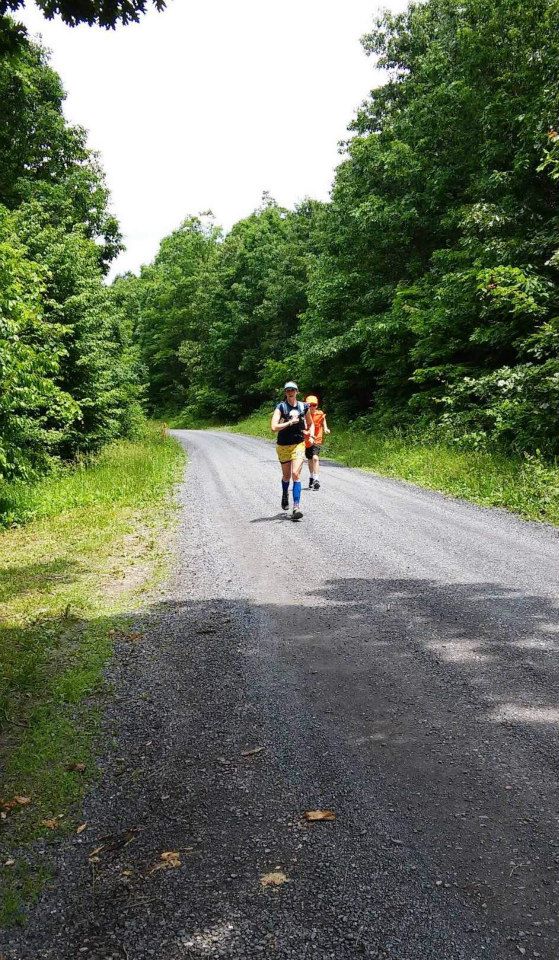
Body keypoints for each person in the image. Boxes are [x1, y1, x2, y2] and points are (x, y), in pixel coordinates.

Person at [271, 381, 313, 520]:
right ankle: (285, 494)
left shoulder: (304, 406)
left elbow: (310, 424)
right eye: (288, 390)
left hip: (298, 443)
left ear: (297, 392)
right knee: (286, 476)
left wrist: (309, 434)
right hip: (283, 445)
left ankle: (296, 507)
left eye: (293, 390)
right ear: (285, 392)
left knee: (296, 474)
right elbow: (273, 427)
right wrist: (289, 422)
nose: (290, 392)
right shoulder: (281, 407)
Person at [304, 395, 330, 490]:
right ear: (306, 405)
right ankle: (311, 477)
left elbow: (323, 420)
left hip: (317, 438)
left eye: (314, 405)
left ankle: (316, 479)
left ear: (317, 405)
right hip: (307, 439)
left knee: (315, 458)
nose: (312, 407)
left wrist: (326, 428)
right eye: (310, 405)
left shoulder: (320, 413)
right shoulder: (304, 414)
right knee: (310, 459)